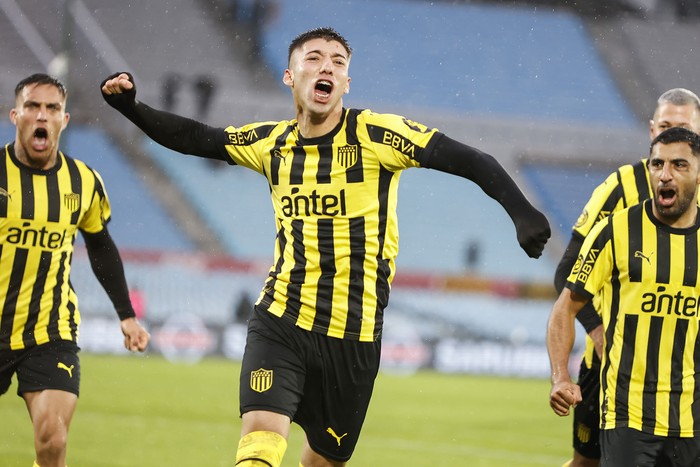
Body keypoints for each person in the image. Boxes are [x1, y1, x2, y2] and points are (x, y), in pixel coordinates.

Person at [100, 26, 551, 466]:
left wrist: (520, 210)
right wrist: (133, 108)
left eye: (338, 62)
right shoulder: (270, 143)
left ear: (346, 84)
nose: (327, 67)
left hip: (354, 338)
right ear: (290, 75)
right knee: (259, 446)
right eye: (313, 58)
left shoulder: (375, 135)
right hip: (281, 320)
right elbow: (197, 138)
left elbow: (468, 158)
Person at [0, 73, 150, 467]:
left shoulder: (83, 182)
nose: (42, 116)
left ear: (64, 121)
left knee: (53, 438)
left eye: (52, 108)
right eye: (33, 106)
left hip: (49, 329)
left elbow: (100, 246)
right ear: (15, 115)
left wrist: (127, 315)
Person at [553, 88, 700, 467]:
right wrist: (599, 332)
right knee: (586, 463)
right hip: (610, 367)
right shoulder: (620, 189)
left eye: (684, 129)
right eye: (666, 127)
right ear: (652, 130)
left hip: (684, 385)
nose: (674, 134)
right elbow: (567, 273)